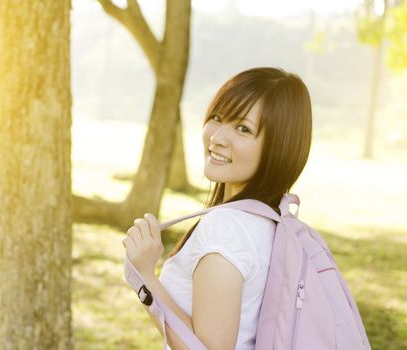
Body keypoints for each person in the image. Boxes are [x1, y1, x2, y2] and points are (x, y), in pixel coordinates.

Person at [122, 67, 312, 349]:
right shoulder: (273, 221)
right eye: (217, 118)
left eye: (243, 128)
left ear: (277, 147)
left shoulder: (227, 228)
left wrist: (145, 275)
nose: (218, 137)